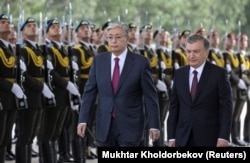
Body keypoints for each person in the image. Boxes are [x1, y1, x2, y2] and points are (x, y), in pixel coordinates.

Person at [77, 21, 161, 147]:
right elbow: (89, 92)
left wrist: (154, 125)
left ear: (126, 39)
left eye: (118, 37)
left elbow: (150, 96)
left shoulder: (140, 63)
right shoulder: (99, 61)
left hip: (130, 126)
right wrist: (83, 119)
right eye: (110, 37)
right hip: (105, 125)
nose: (113, 41)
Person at [167, 34, 233, 147]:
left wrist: (223, 136)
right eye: (188, 51)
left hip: (210, 138)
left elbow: (226, 107)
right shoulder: (179, 74)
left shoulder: (219, 74)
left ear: (206, 52)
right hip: (182, 137)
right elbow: (174, 107)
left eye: (196, 51)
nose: (191, 55)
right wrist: (171, 137)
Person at [0, 13, 26, 162]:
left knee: (4, 138)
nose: (6, 24)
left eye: (7, 22)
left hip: (11, 98)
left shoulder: (9, 47)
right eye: (2, 22)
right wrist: (12, 87)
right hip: (3, 95)